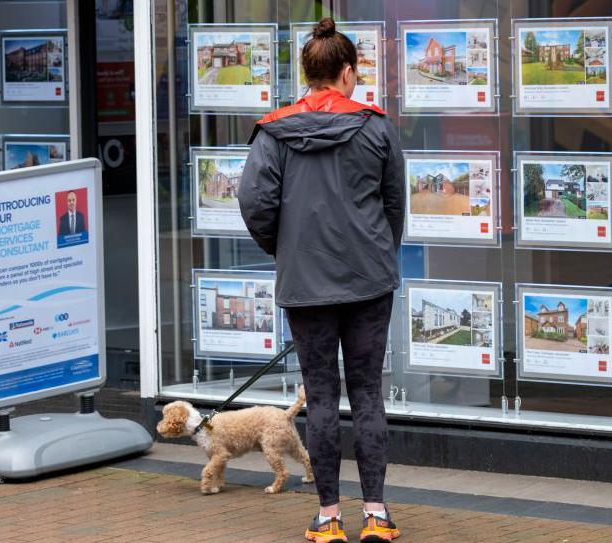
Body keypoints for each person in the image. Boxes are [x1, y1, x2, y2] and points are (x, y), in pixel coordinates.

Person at [238, 17, 404, 543]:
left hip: (306, 283)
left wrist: (284, 248)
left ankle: (329, 518)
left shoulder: (274, 131)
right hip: (369, 281)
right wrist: (379, 251)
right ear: (348, 73)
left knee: (322, 397)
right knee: (369, 394)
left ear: (307, 73)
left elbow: (253, 202)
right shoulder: (376, 127)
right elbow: (394, 205)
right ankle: (376, 514)